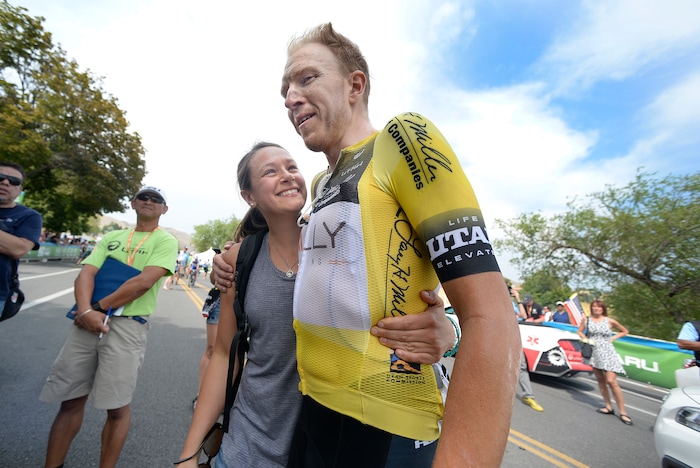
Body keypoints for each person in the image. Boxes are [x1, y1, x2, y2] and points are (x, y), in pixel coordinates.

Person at [279, 23, 519, 467]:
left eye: (307, 78)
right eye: (285, 90)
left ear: (355, 84)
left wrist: (451, 333)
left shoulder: (402, 138)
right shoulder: (320, 182)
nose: (291, 97)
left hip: (385, 425)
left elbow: (491, 314)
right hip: (313, 404)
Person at [178, 143, 452, 467]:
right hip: (245, 447)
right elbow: (224, 355)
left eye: (292, 167)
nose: (286, 176)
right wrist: (189, 453)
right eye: (270, 171)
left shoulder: (350, 243)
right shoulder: (240, 260)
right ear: (249, 196)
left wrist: (449, 331)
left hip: (325, 450)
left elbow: (428, 303)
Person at [40, 185, 178, 467]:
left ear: (164, 209)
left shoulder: (165, 241)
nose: (149, 201)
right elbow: (86, 273)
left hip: (126, 326)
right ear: (133, 203)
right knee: (70, 401)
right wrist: (85, 310)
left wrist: (98, 309)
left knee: (116, 407)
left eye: (157, 200)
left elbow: (143, 282)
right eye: (144, 197)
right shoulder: (112, 237)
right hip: (87, 321)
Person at [577, 299, 632, 426]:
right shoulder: (587, 320)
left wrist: (613, 338)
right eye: (594, 307)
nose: (596, 309)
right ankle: (608, 406)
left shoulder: (609, 321)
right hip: (593, 351)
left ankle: (623, 412)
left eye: (599, 307)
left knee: (611, 381)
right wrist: (585, 338)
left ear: (603, 309)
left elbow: (624, 331)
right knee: (600, 379)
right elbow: (579, 331)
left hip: (607, 351)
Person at [0, 161, 42, 318]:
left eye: (14, 181)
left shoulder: (29, 216)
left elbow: (18, 249)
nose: (5, 182)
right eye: (1, 177)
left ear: (19, 190)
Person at [510, 286, 544, 412]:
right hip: (498, 336)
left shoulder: (516, 304)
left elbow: (523, 316)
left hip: (516, 338)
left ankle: (528, 396)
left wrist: (517, 299)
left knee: (521, 367)